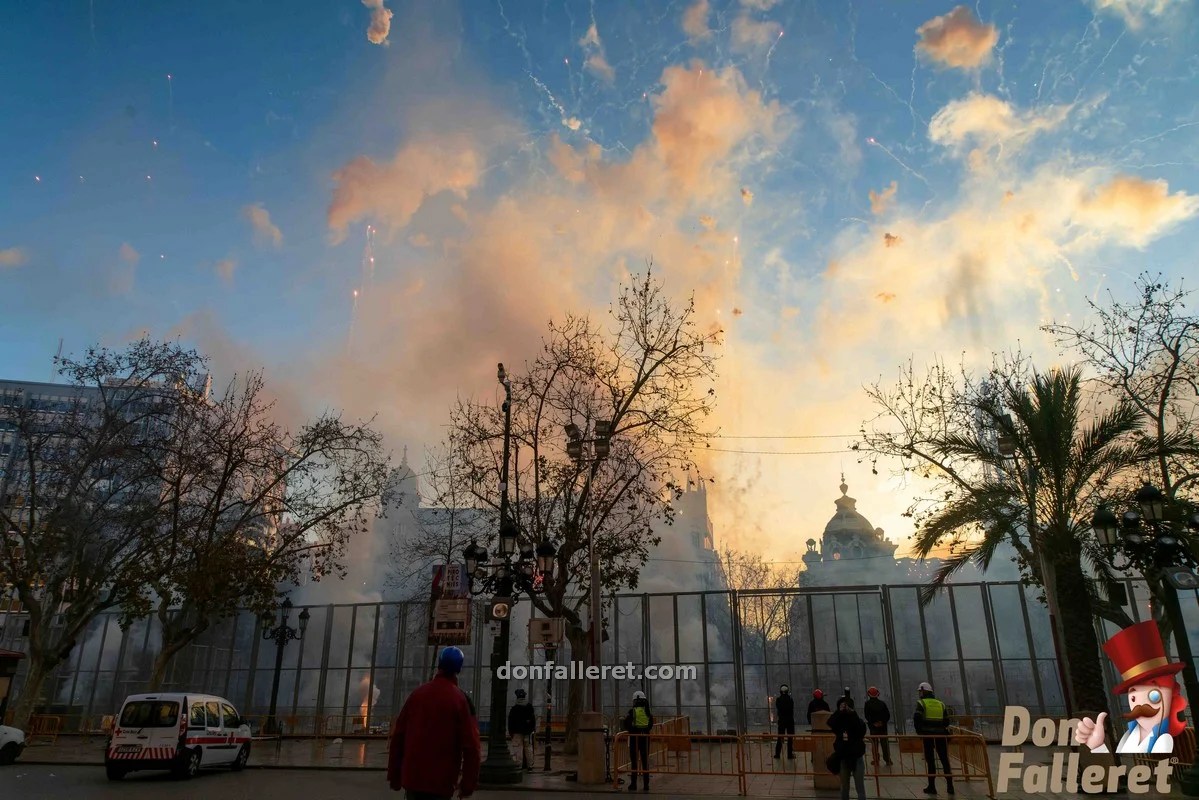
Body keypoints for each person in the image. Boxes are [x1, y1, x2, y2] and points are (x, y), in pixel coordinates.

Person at [387, 646, 481, 800]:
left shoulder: (417, 695)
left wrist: (395, 775)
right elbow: (472, 747)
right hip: (441, 781)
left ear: (439, 663)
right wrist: (467, 785)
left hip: (413, 779)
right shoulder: (460, 700)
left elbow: (398, 737)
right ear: (459, 668)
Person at [913, 681, 954, 795]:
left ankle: (932, 787)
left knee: (930, 761)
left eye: (920, 691)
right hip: (941, 735)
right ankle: (950, 787)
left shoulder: (922, 703)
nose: (919, 693)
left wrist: (920, 731)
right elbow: (946, 720)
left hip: (928, 735)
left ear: (923, 691)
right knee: (944, 760)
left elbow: (917, 718)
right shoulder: (941, 704)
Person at [828, 695, 868, 800]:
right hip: (844, 758)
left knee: (860, 788)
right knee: (844, 788)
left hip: (856, 758)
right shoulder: (839, 723)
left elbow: (861, 730)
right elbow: (830, 723)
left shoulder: (856, 720)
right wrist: (839, 712)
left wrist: (852, 714)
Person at [623, 690, 654, 792]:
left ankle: (633, 784)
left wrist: (633, 729)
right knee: (645, 762)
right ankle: (646, 785)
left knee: (634, 762)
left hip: (634, 740)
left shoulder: (632, 712)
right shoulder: (648, 712)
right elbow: (650, 725)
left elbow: (626, 725)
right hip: (645, 739)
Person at [507, 688, 536, 770]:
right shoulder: (529, 707)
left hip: (516, 731)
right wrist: (532, 729)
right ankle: (530, 765)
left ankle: (519, 764)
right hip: (528, 731)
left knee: (518, 748)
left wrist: (511, 732)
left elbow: (510, 721)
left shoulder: (514, 709)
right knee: (529, 748)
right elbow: (533, 720)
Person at [864, 686, 893, 766]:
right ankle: (888, 760)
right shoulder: (882, 704)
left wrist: (874, 723)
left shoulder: (867, 704)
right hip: (883, 728)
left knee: (875, 744)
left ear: (869, 694)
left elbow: (867, 715)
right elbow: (887, 715)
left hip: (873, 728)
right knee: (885, 744)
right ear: (878, 694)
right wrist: (882, 722)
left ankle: (876, 760)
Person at [773, 684, 796, 759]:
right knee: (790, 738)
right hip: (790, 721)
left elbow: (779, 708)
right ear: (787, 691)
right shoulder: (790, 700)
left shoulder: (778, 700)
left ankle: (777, 754)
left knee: (780, 737)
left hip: (782, 721)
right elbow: (791, 709)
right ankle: (789, 755)